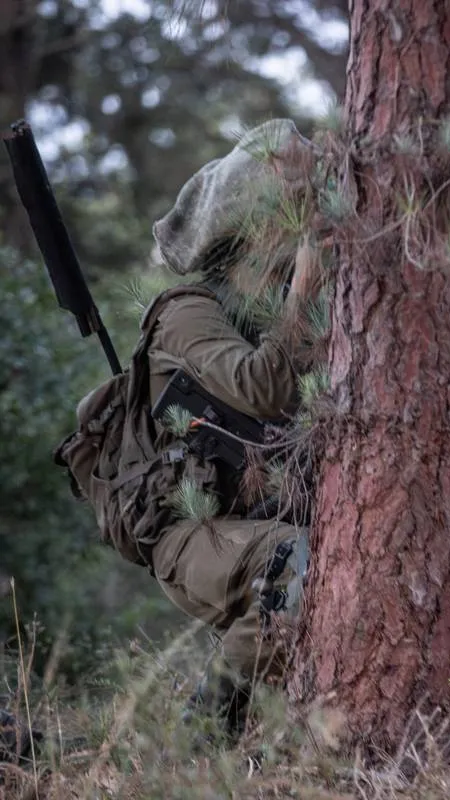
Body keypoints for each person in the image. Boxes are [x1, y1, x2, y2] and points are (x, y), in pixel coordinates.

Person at [57, 119, 320, 738]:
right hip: (188, 532)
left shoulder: (279, 315)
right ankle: (203, 739)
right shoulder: (186, 314)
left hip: (262, 511)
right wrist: (308, 284)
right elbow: (267, 388)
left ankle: (276, 733)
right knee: (295, 560)